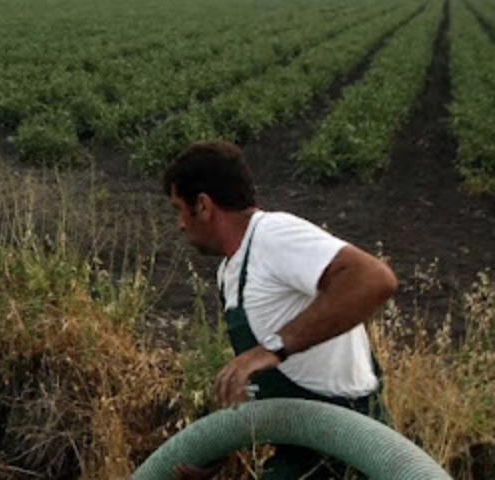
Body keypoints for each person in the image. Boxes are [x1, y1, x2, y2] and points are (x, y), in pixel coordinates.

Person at [163, 140, 398, 479]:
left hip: (349, 451)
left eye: (178, 209)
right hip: (301, 455)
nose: (179, 224)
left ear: (202, 205)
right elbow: (266, 389)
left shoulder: (273, 236)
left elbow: (374, 279)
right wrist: (214, 455)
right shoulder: (231, 272)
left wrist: (274, 347)